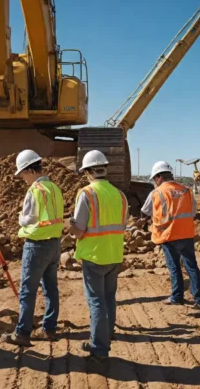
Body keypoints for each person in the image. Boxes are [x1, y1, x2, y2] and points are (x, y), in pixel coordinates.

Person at [68, 150, 128, 359]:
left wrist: (70, 226)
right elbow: (122, 224)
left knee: (96, 302)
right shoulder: (120, 195)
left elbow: (80, 230)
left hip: (94, 255)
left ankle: (99, 348)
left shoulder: (87, 193)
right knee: (109, 298)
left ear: (88, 172)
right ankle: (106, 334)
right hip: (114, 254)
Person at [1, 150, 64, 346]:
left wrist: (20, 218)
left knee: (27, 291)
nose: (22, 178)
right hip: (54, 244)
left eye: (22, 174)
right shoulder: (54, 188)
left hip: (37, 245)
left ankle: (22, 333)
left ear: (30, 170)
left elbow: (28, 218)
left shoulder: (35, 190)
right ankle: (49, 329)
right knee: (50, 289)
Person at [141, 161, 200, 310]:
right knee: (192, 267)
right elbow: (193, 212)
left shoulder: (156, 193)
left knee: (174, 267)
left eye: (154, 179)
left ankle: (177, 297)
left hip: (168, 235)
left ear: (158, 177)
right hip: (186, 234)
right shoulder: (187, 190)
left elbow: (144, 212)